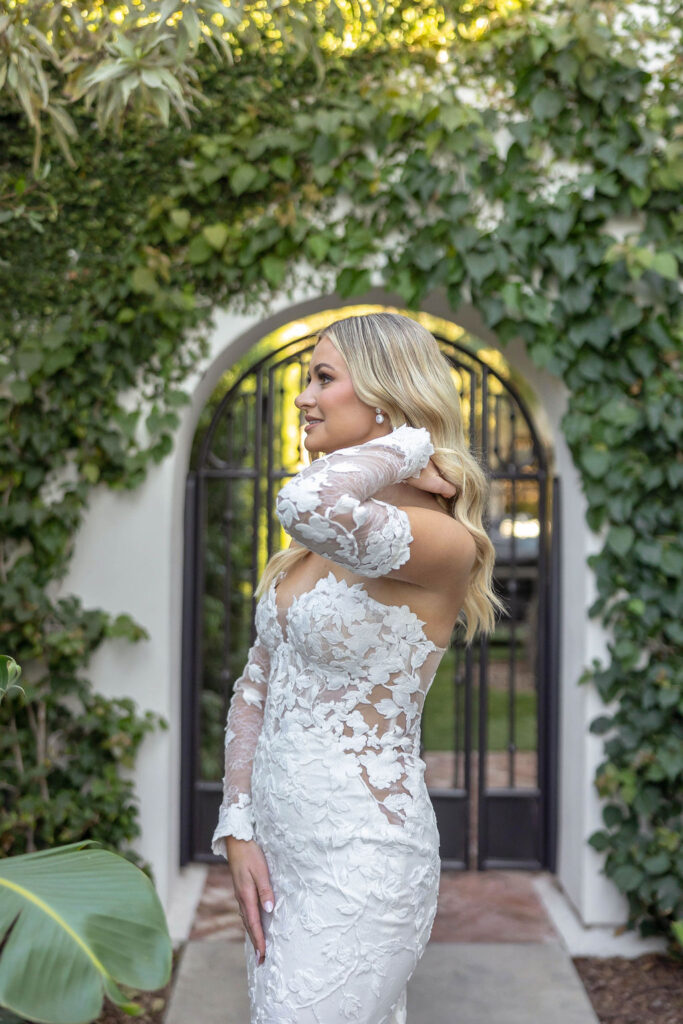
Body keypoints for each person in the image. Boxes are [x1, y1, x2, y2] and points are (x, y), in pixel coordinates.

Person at [211, 312, 505, 1023]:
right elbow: (256, 686)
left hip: (363, 860)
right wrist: (238, 826)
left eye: (322, 378)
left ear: (384, 395)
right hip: (280, 857)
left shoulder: (438, 541)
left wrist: (407, 445)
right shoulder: (313, 552)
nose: (303, 397)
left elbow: (302, 501)